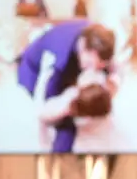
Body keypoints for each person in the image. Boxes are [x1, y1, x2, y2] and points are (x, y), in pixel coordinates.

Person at [16, 20, 117, 152]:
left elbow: (112, 73)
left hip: (70, 62)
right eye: (93, 65)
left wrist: (110, 85)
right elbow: (42, 111)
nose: (94, 71)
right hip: (32, 69)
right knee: (64, 124)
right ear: (84, 49)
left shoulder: (97, 37)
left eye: (101, 66)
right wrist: (70, 104)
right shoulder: (56, 62)